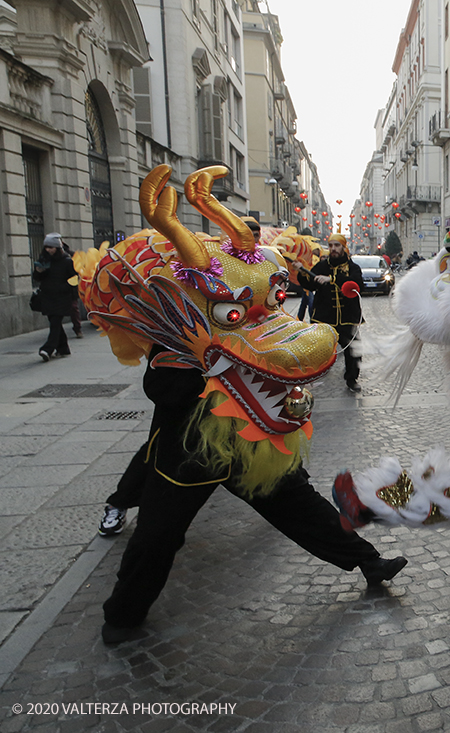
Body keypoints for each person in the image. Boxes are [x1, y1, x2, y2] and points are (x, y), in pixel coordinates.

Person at [100, 348, 406, 644]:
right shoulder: (179, 330)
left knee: (302, 507)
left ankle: (369, 562)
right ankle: (123, 615)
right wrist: (215, 370)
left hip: (248, 446)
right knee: (156, 536)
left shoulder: (255, 323)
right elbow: (161, 388)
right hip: (189, 454)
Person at [297, 234, 365, 393]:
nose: (333, 249)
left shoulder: (353, 267)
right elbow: (310, 285)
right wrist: (301, 272)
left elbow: (356, 284)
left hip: (348, 317)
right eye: (331, 245)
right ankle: (307, 377)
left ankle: (351, 379)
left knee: (353, 350)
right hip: (324, 317)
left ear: (343, 247)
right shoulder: (321, 266)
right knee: (315, 350)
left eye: (337, 245)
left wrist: (332, 279)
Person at [32, 233, 78, 361]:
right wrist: (38, 272)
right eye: (47, 247)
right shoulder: (44, 260)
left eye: (51, 247)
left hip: (62, 298)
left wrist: (65, 288)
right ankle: (63, 348)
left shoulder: (67, 261)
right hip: (47, 296)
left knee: (55, 323)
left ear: (57, 248)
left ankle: (47, 349)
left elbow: (75, 279)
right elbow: (36, 278)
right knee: (54, 322)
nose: (48, 250)